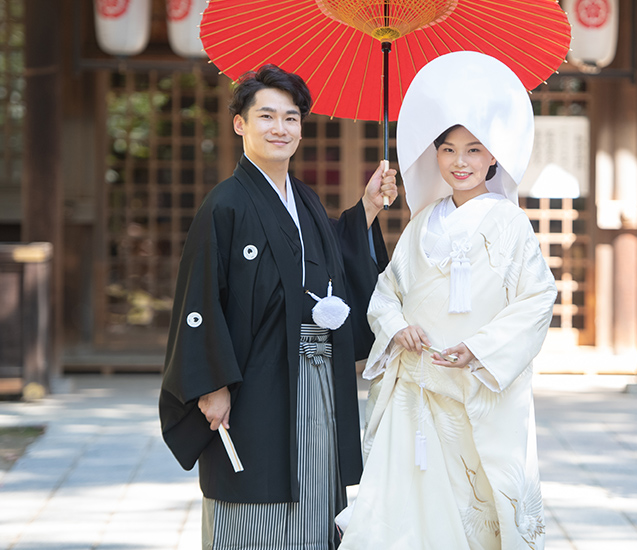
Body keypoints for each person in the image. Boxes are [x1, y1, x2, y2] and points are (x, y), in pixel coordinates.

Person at [158, 64, 398, 549]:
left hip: (316, 373)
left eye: (291, 118)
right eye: (266, 116)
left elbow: (329, 254)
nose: (279, 128)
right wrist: (211, 384)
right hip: (253, 380)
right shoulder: (224, 205)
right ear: (240, 124)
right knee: (255, 493)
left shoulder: (303, 199)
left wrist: (368, 208)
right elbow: (199, 299)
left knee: (313, 491)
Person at [338, 52, 557, 550]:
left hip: (474, 386)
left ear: (493, 157)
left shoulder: (510, 223)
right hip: (416, 387)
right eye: (449, 149)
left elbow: (538, 297)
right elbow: (387, 290)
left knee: (473, 506)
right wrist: (397, 327)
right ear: (435, 155)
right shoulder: (422, 223)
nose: (460, 162)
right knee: (406, 506)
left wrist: (479, 348)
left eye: (474, 150)